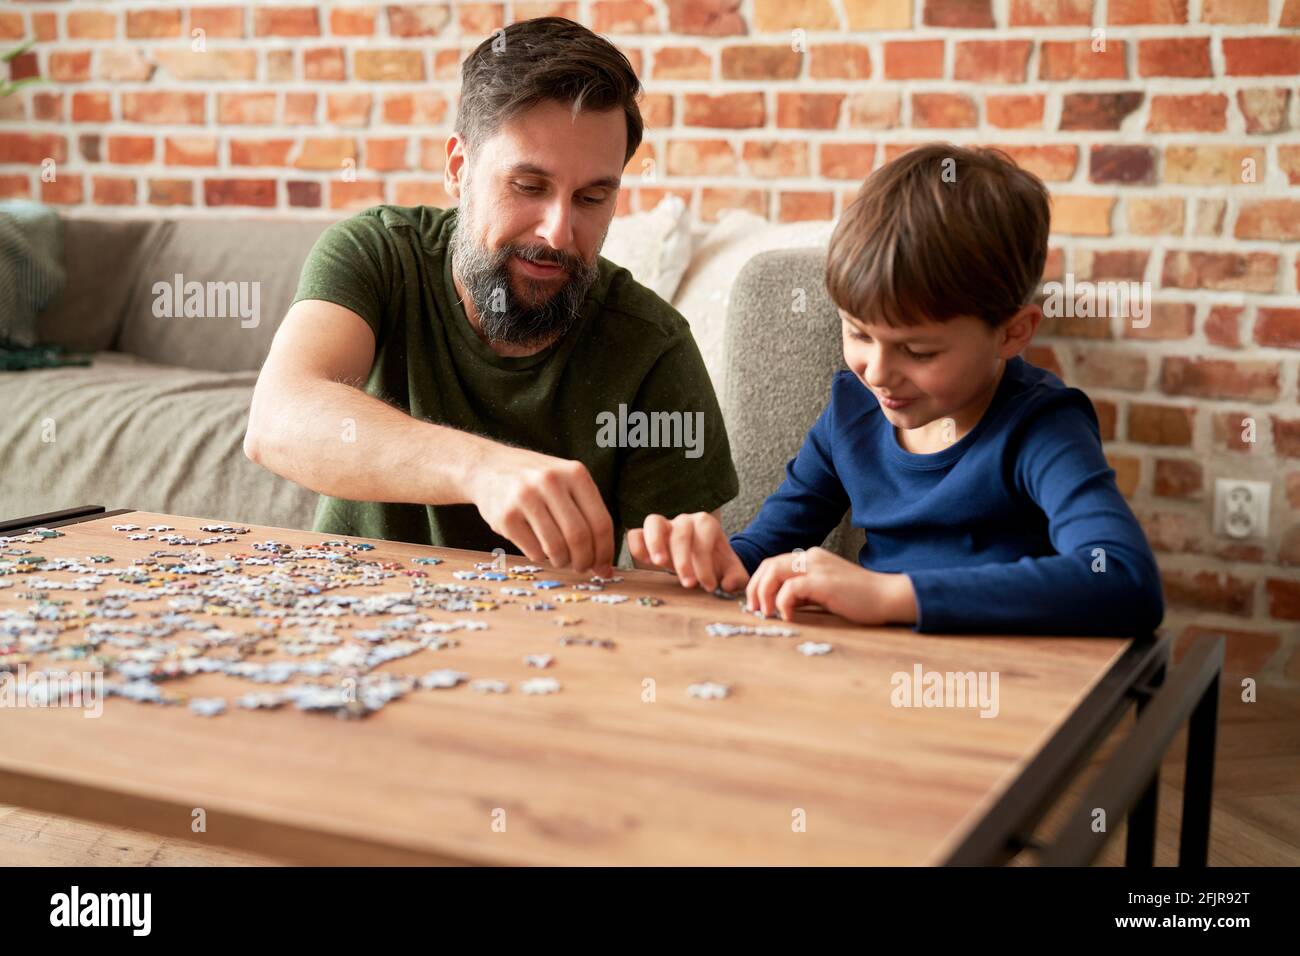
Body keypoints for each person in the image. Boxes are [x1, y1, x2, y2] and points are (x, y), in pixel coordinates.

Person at [245, 18, 738, 578]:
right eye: (529, 187)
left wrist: (685, 563)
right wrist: (480, 468)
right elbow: (276, 418)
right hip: (349, 623)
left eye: (592, 197)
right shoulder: (376, 253)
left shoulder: (653, 346)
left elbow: (676, 595)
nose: (558, 231)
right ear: (459, 169)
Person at [629, 144, 1164, 636]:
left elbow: (1123, 578)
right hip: (874, 674)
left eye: (920, 352)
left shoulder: (1042, 426)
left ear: (1013, 332)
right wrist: (699, 558)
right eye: (858, 333)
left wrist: (889, 594)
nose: (878, 372)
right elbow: (766, 547)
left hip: (1004, 687)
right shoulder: (852, 412)